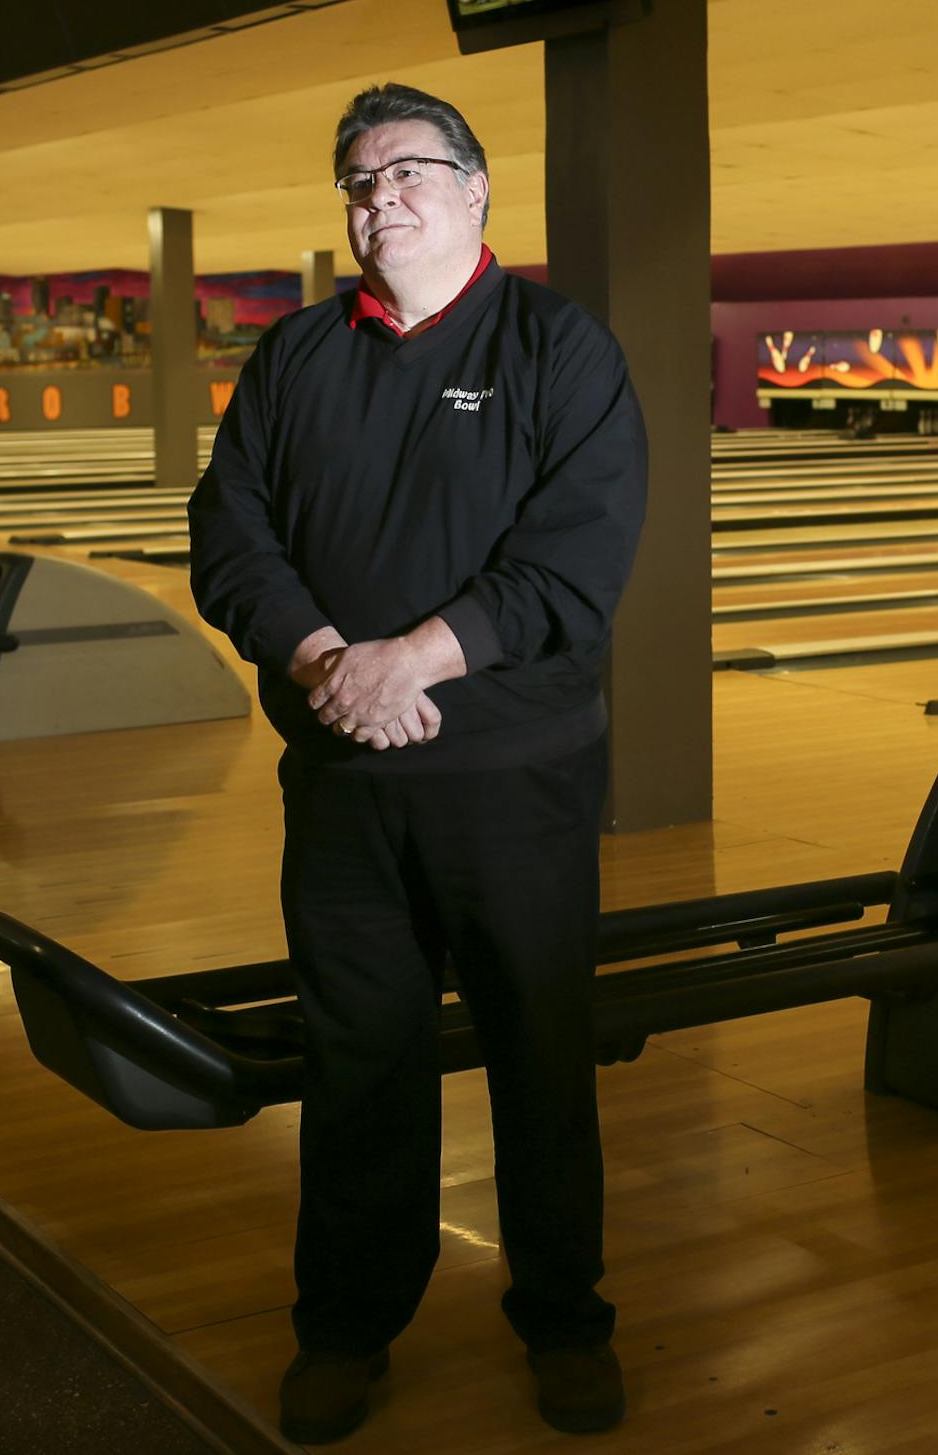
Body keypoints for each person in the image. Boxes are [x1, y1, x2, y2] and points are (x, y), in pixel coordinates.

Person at [187, 83, 648, 1444]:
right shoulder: (296, 359)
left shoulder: (561, 348)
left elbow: (578, 559)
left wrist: (414, 660)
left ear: (478, 191)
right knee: (358, 1070)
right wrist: (329, 655)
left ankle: (563, 1318)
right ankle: (346, 1327)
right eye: (356, 181)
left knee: (540, 1065)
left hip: (517, 789)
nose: (378, 199)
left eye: (409, 173)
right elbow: (230, 535)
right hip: (343, 788)